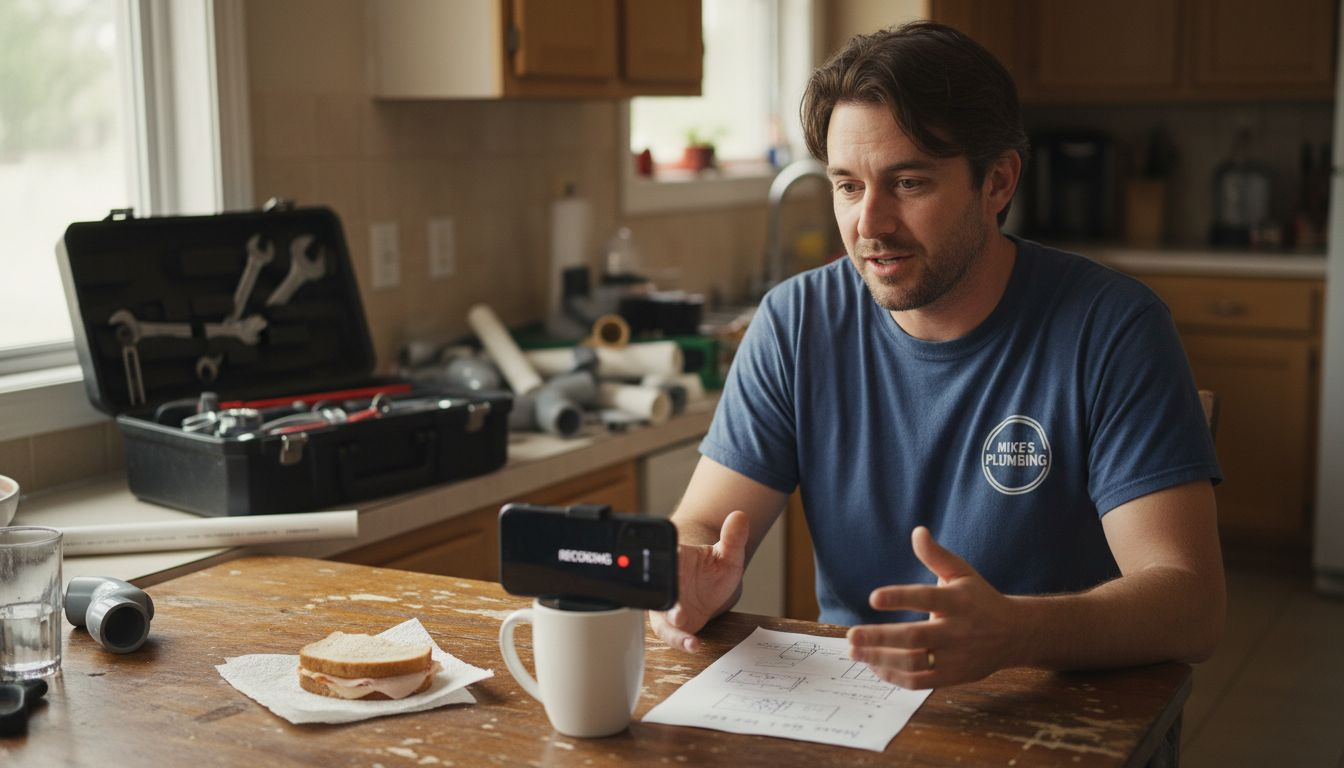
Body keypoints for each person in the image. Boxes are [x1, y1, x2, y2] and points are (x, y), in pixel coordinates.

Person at [649, 20, 1225, 695]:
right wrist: (685, 573)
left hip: (1051, 704)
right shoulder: (795, 323)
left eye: (908, 183)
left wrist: (1016, 632)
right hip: (855, 701)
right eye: (848, 186)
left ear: (998, 182)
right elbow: (706, 523)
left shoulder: (1113, 329)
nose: (869, 224)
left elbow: (1190, 605)